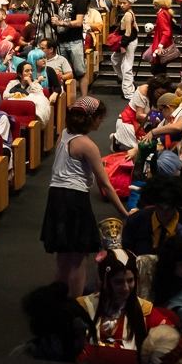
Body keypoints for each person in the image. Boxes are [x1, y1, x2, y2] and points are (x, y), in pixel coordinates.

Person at [40, 96, 129, 297]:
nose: (101, 122)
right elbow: (105, 184)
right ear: (90, 118)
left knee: (63, 257)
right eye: (100, 118)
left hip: (55, 197)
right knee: (79, 258)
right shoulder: (87, 145)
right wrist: (124, 213)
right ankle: (77, 303)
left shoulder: (63, 135)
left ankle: (59, 300)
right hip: (75, 200)